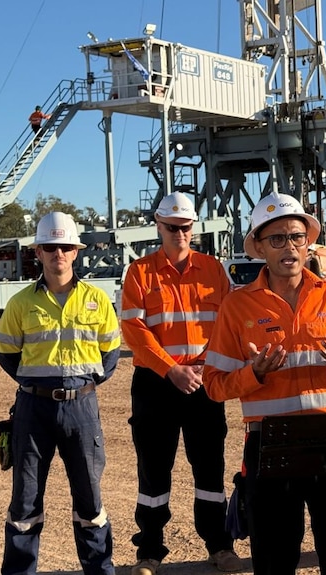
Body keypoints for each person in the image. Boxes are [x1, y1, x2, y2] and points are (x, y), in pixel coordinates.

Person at [203, 192, 326, 575]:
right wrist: (255, 374)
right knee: (274, 559)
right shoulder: (237, 306)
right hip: (269, 446)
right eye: (277, 239)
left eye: (296, 236)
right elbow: (214, 386)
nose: (289, 247)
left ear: (307, 242)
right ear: (260, 248)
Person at [119, 192, 241, 575]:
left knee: (209, 468)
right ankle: (150, 551)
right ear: (159, 226)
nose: (180, 234)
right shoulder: (140, 272)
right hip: (157, 383)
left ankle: (219, 546)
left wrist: (206, 367)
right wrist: (170, 368)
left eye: (186, 227)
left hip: (204, 382)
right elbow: (133, 329)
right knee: (154, 469)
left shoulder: (214, 270)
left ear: (194, 227)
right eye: (172, 227)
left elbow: (228, 324)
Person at [0, 212, 120, 575]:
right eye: (50, 247)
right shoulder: (20, 304)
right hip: (34, 409)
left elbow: (110, 356)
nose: (58, 254)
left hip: (82, 408)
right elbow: (7, 355)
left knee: (90, 500)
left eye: (65, 246)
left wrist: (81, 386)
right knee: (25, 502)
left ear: (75, 252)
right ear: (38, 251)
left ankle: (100, 569)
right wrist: (39, 384)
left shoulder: (97, 300)